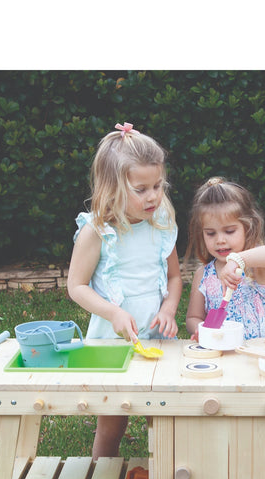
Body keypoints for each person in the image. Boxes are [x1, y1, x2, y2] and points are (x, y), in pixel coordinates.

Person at [67, 122, 182, 459]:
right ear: (113, 188)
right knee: (112, 419)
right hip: (112, 339)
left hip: (157, 336)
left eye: (158, 186)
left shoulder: (161, 224)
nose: (153, 196)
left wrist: (169, 309)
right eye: (141, 189)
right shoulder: (98, 231)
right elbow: (76, 286)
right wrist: (113, 312)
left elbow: (174, 278)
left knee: (161, 415)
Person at [185, 177, 265, 341]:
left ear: (247, 228)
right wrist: (201, 330)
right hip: (225, 349)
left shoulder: (256, 263)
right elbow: (193, 317)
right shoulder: (203, 275)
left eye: (229, 231)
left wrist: (238, 260)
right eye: (211, 233)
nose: (220, 240)